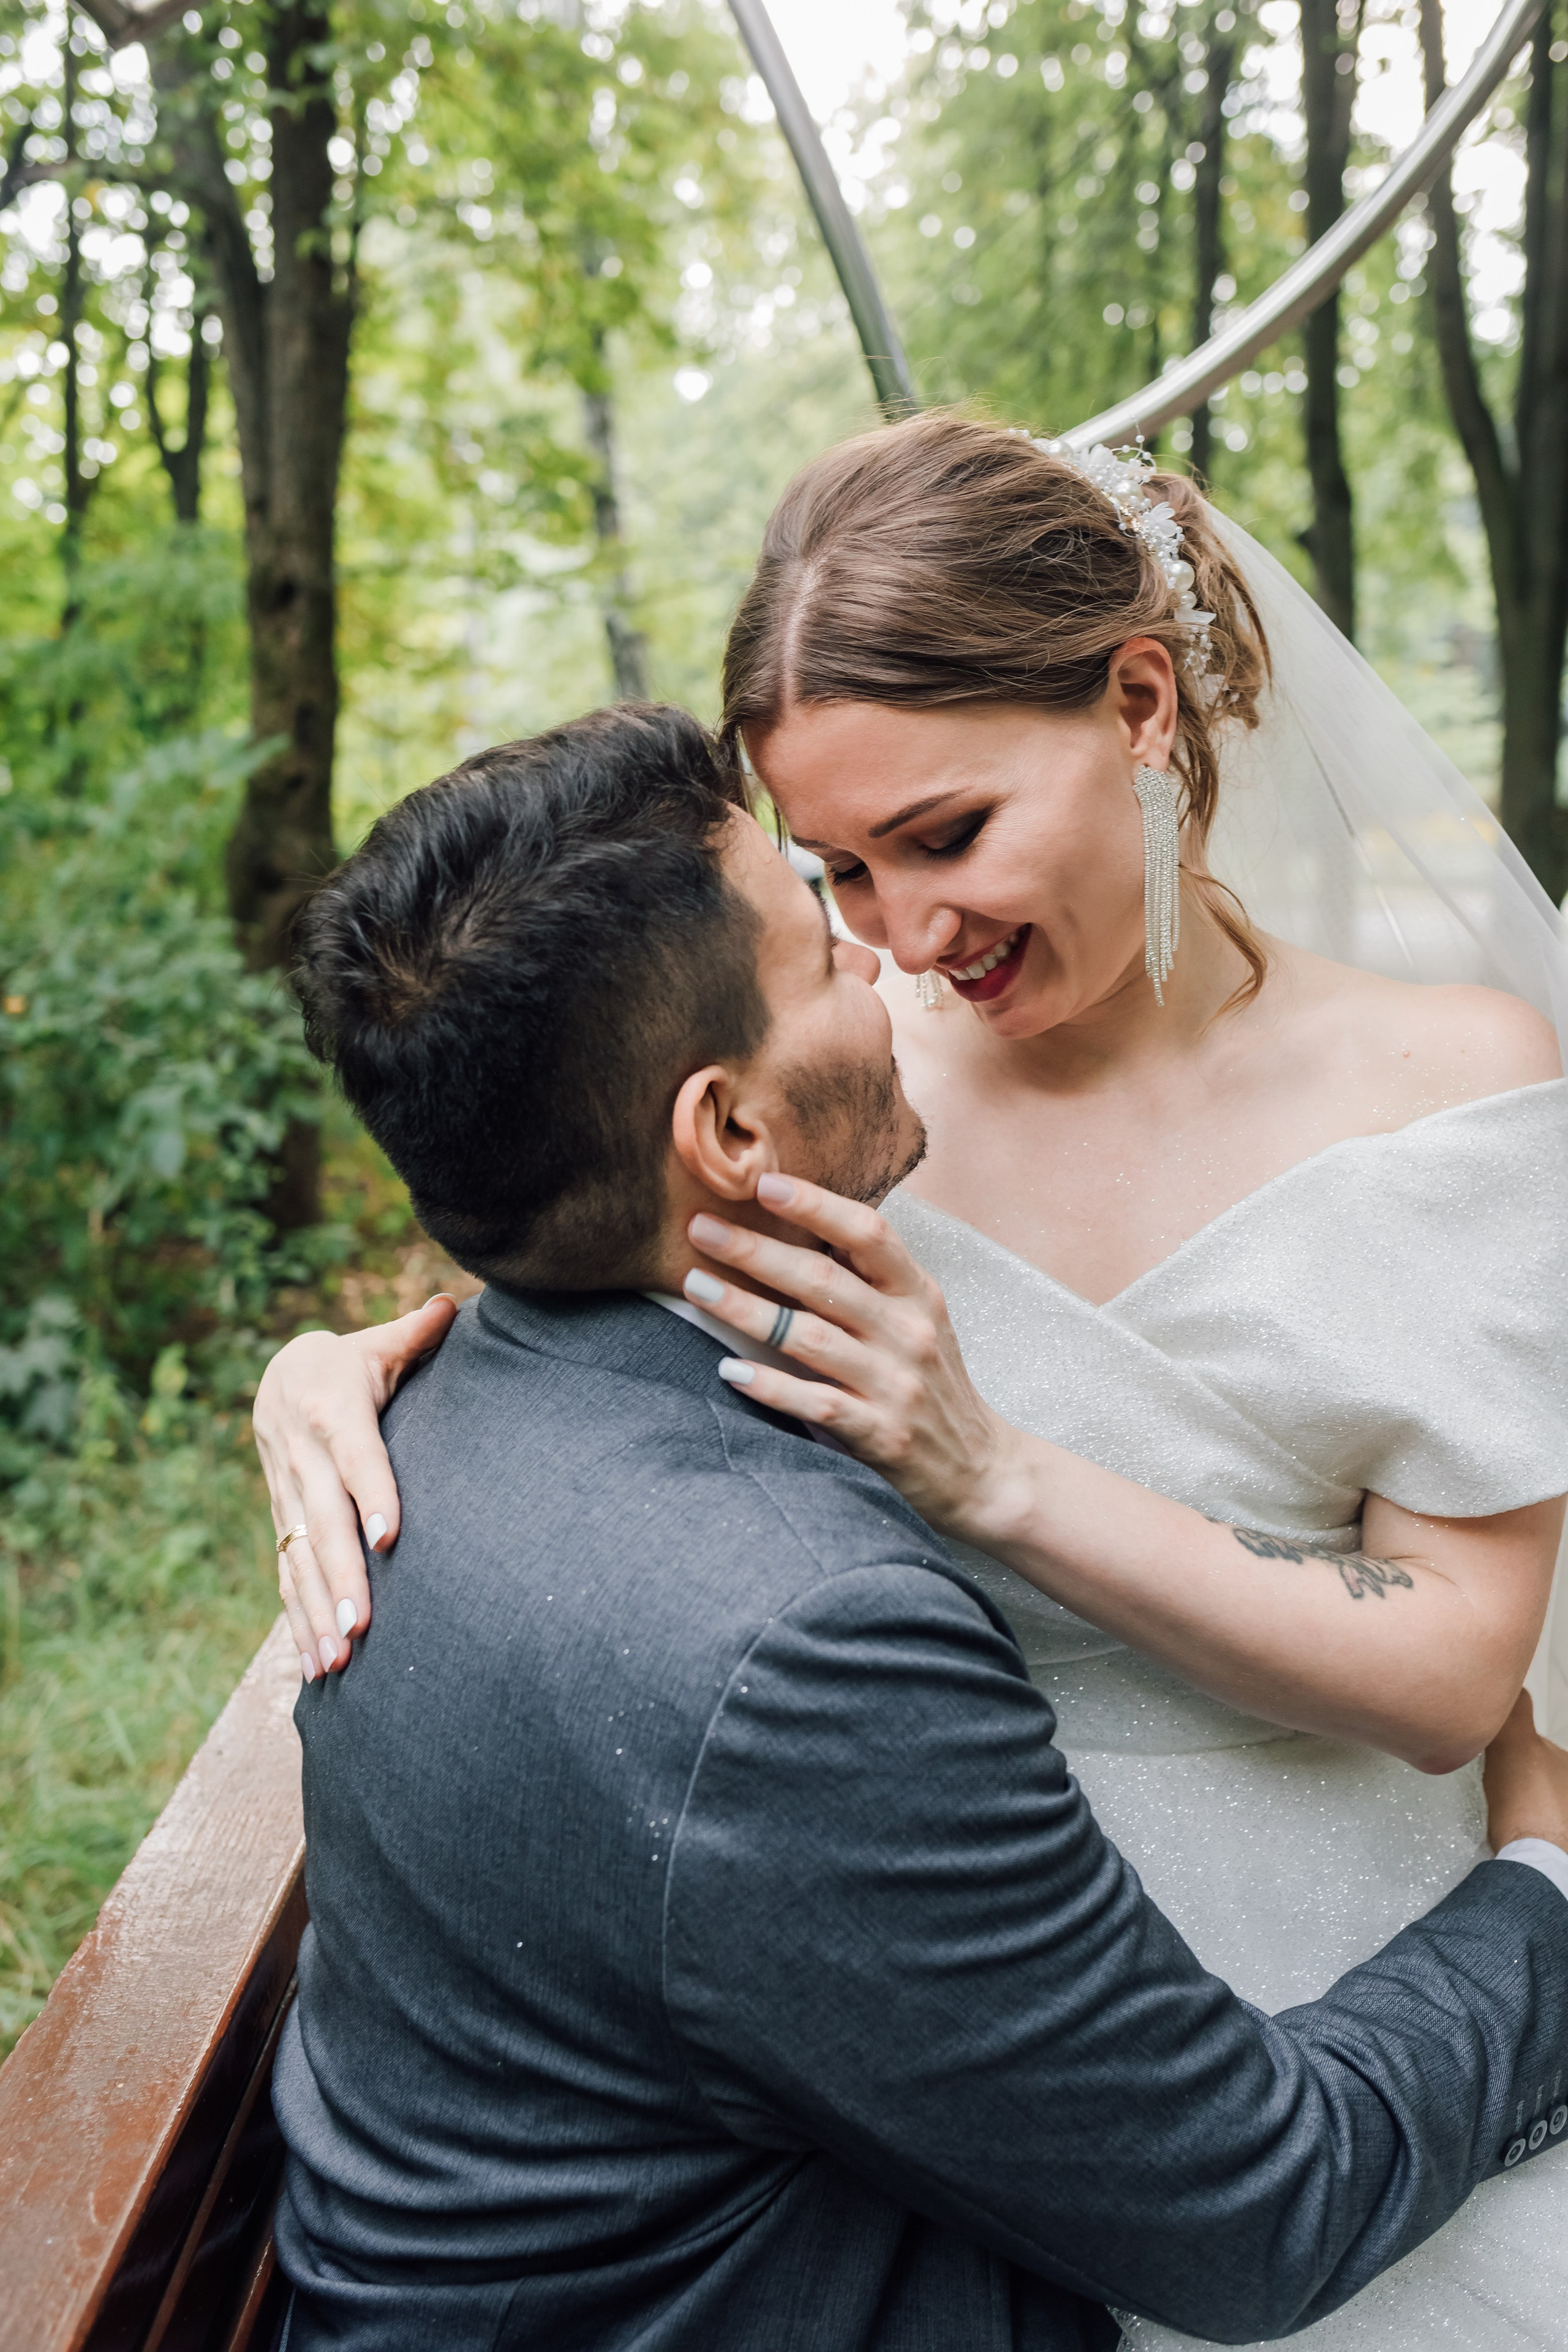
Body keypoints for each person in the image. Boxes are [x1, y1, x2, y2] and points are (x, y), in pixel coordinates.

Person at [258, 420, 1568, 2346]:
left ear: (1141, 702)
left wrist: (1001, 1476)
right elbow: (586, 1246)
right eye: (838, 874)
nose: (900, 937)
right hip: (924, 1993)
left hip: (1347, 1962)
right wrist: (338, 1367)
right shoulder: (840, 1089)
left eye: (944, 838)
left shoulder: (1452, 1080)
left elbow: (1460, 1672)